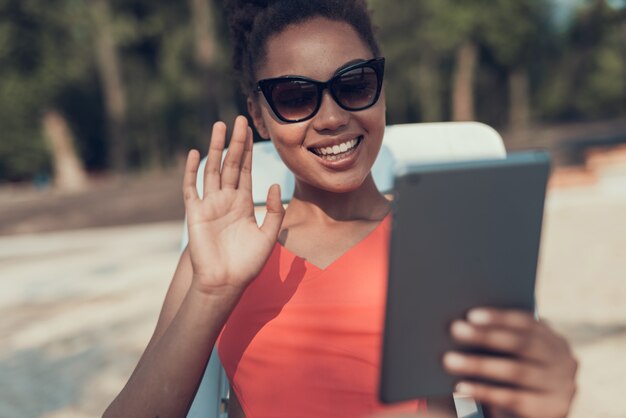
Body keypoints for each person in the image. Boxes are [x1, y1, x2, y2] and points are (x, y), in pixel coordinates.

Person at [104, 1, 578, 417]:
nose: (331, 118)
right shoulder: (220, 258)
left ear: (382, 87)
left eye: (354, 85)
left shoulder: (442, 238)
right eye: (295, 97)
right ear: (260, 114)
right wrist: (213, 292)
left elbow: (510, 401)